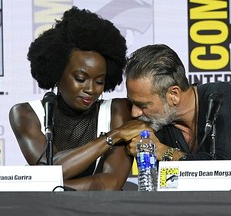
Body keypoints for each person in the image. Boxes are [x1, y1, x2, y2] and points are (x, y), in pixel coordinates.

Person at [9, 6, 146, 191]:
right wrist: (113, 136)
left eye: (99, 81)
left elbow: (110, 184)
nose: (91, 89)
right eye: (80, 79)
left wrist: (49, 187)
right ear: (57, 72)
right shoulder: (26, 114)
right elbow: (52, 169)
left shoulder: (117, 109)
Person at [124, 44, 231, 190]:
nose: (134, 113)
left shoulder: (220, 98)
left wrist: (162, 152)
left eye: (142, 105)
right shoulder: (156, 124)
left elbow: (228, 165)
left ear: (173, 95)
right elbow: (165, 184)